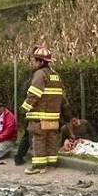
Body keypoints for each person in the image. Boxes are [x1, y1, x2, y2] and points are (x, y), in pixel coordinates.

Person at [19, 46, 65, 174]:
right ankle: (51, 164)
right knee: (51, 139)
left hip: (40, 116)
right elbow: (62, 97)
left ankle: (39, 167)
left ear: (40, 61)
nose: (33, 63)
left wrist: (24, 108)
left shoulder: (40, 74)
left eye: (35, 60)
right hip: (53, 116)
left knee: (38, 140)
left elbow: (34, 94)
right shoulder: (55, 75)